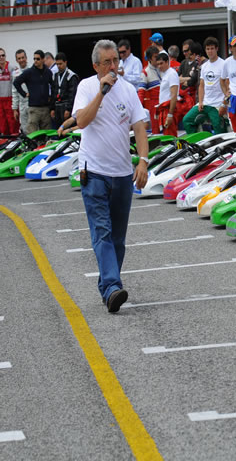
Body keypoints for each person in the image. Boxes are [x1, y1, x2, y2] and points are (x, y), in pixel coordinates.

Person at [72, 39, 150, 313]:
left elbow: (139, 127)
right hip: (93, 172)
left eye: (116, 60)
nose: (114, 66)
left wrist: (143, 161)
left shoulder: (129, 90)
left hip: (122, 174)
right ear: (96, 66)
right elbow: (81, 120)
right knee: (102, 232)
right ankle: (114, 285)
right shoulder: (86, 87)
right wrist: (102, 92)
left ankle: (107, 287)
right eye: (107, 62)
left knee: (118, 238)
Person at [184, 37, 228, 134]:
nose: (210, 51)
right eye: (208, 49)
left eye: (212, 48)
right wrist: (200, 102)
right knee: (187, 120)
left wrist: (224, 104)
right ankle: (196, 143)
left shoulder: (224, 64)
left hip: (217, 104)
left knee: (218, 126)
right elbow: (201, 85)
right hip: (205, 103)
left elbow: (227, 85)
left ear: (217, 49)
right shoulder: (204, 66)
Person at [13, 49, 53, 134]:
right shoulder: (29, 72)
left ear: (43, 60)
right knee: (32, 134)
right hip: (34, 108)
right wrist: (24, 94)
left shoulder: (48, 72)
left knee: (46, 134)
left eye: (38, 59)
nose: (35, 61)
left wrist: (51, 98)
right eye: (34, 59)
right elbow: (16, 83)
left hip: (46, 108)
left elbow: (53, 86)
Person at [153, 51, 180, 136]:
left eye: (161, 63)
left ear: (167, 62)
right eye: (158, 64)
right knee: (167, 136)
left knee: (171, 137)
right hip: (164, 109)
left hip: (169, 109)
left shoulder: (171, 74)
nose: (159, 66)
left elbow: (174, 95)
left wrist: (170, 114)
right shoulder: (165, 74)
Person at [52, 52, 78, 128]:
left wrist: (68, 109)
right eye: (57, 64)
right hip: (57, 106)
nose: (58, 66)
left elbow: (72, 94)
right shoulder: (55, 76)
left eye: (60, 64)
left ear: (65, 62)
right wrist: (52, 108)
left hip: (66, 105)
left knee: (67, 129)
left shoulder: (71, 76)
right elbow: (53, 92)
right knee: (58, 129)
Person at [139, 46, 161, 133]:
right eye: (155, 57)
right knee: (156, 131)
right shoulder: (145, 72)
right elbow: (141, 93)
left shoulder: (163, 67)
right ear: (149, 59)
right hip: (155, 105)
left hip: (166, 102)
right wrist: (139, 109)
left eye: (158, 56)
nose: (158, 58)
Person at [11, 50, 28, 134]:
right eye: (19, 58)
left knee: (34, 127)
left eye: (23, 57)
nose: (21, 60)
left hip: (33, 103)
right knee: (24, 128)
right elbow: (14, 91)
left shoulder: (32, 70)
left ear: (26, 58)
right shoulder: (15, 73)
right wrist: (14, 109)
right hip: (22, 104)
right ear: (17, 60)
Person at [0, 49, 15, 136]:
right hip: (0, 102)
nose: (1, 57)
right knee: (3, 126)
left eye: (3, 55)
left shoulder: (12, 68)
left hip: (10, 100)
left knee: (13, 125)